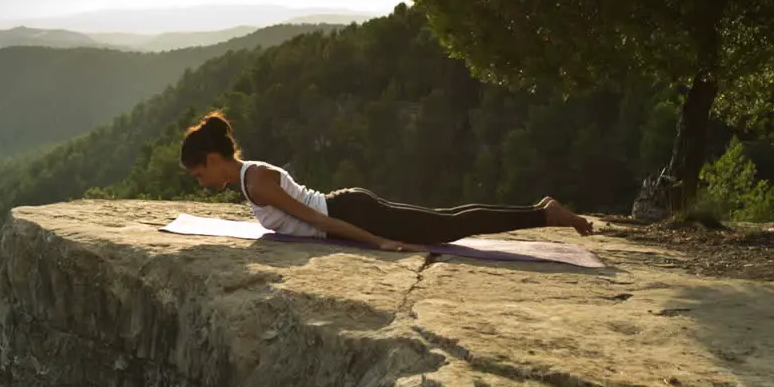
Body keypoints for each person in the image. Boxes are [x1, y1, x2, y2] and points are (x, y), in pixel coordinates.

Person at [179, 110, 595, 252]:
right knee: (447, 219)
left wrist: (378, 242)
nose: (201, 182)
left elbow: (322, 222)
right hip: (350, 207)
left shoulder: (256, 183)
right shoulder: (250, 178)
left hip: (352, 213)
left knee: (450, 226)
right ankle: (541, 212)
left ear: (214, 159)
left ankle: (544, 215)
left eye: (200, 173)